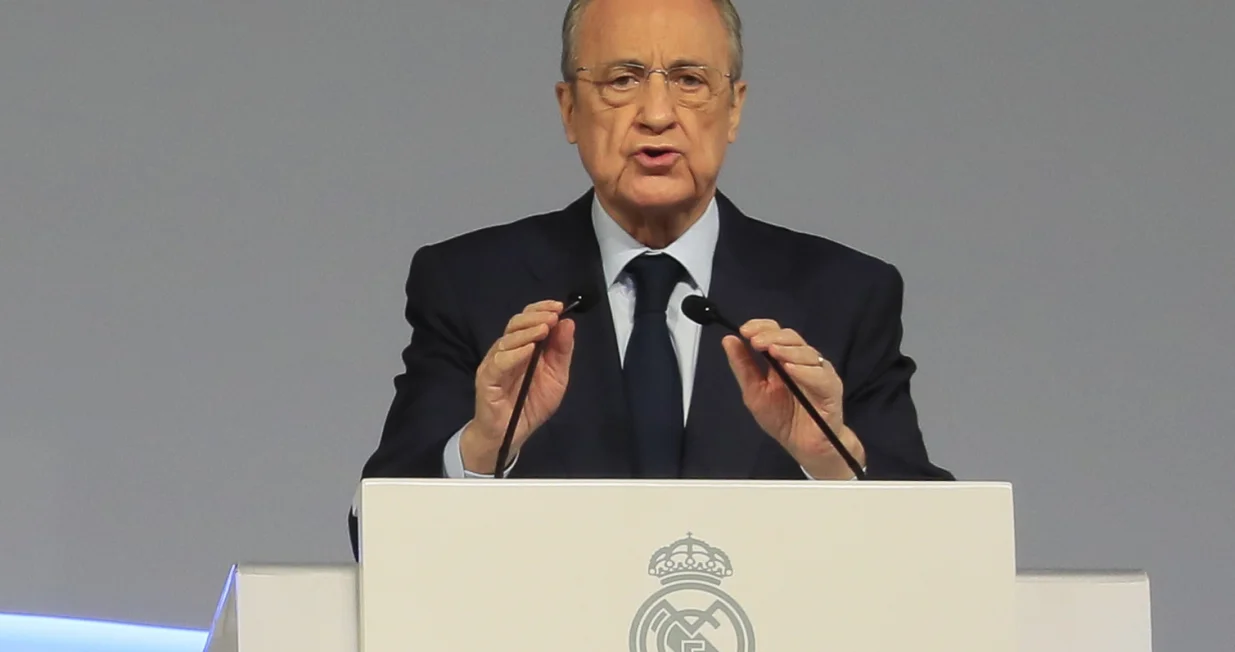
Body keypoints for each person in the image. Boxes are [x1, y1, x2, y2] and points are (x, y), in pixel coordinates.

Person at [349, 0, 952, 557]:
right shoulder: (468, 284)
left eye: (690, 80)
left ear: (734, 108)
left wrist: (832, 465)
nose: (657, 115)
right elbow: (375, 536)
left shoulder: (845, 294)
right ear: (568, 109)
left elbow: (938, 551)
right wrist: (482, 450)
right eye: (622, 80)